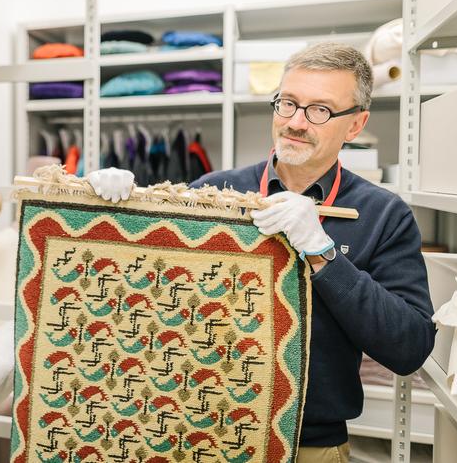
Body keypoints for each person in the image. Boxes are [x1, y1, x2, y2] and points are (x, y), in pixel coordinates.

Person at [87, 42, 436, 463]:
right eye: (287, 103)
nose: (295, 122)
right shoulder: (215, 192)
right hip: (198, 432)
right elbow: (140, 293)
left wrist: (324, 254)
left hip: (313, 443)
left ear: (355, 125)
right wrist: (114, 212)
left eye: (319, 110)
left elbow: (409, 347)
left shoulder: (383, 214)